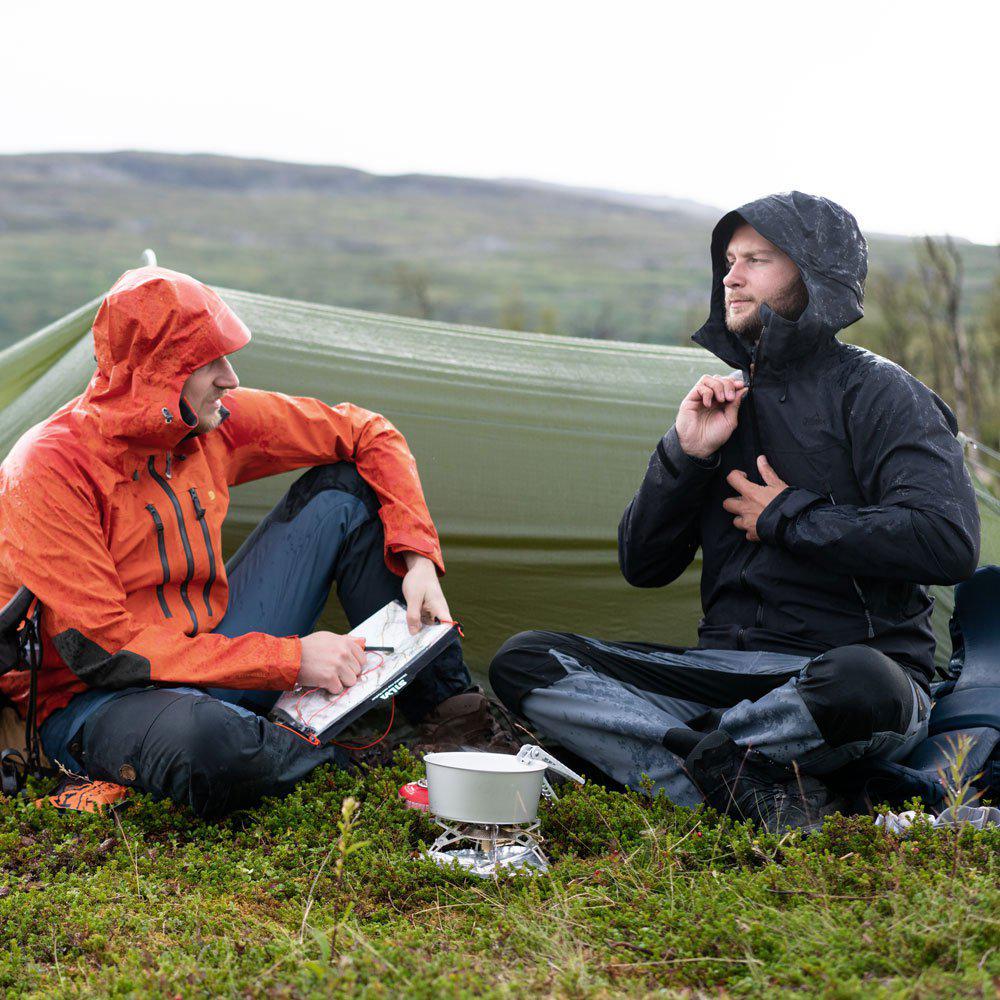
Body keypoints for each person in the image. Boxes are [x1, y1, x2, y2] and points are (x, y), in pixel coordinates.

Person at [490, 192, 981, 831]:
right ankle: (748, 777)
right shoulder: (722, 404)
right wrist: (684, 456)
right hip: (720, 677)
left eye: (758, 259)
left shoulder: (882, 392)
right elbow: (643, 565)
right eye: (728, 260)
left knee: (864, 680)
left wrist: (789, 516)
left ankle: (688, 763)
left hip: (840, 682)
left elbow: (948, 541)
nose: (732, 276)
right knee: (526, 660)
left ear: (813, 275)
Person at [0, 266, 489, 818]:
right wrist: (288, 660)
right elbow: (106, 652)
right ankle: (335, 762)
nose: (230, 378)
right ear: (160, 373)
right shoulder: (48, 469)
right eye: (210, 362)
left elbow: (368, 432)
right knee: (207, 741)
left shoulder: (208, 423)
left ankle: (456, 718)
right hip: (95, 700)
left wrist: (417, 556)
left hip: (214, 646)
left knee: (346, 490)